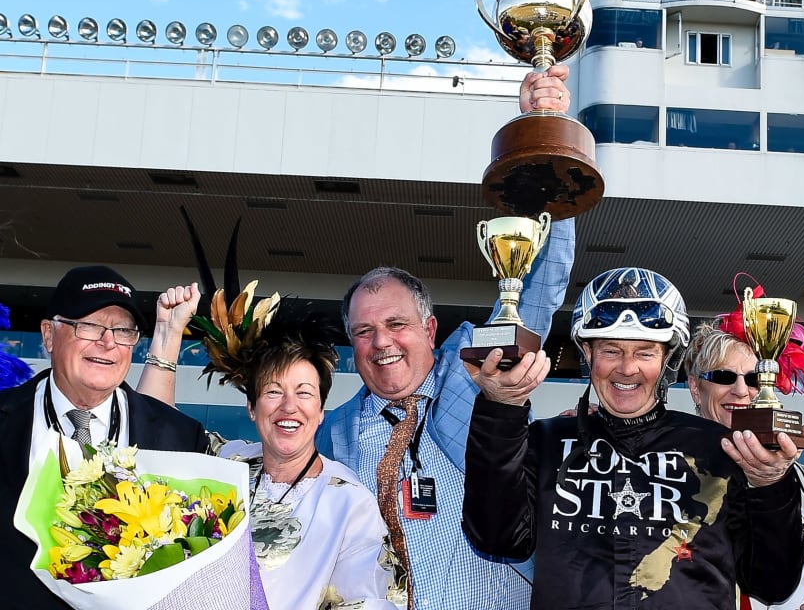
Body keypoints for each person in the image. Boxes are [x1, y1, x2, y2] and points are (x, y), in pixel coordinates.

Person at [319, 66, 573, 610]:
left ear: (430, 329)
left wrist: (543, 129)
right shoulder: (333, 433)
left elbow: (541, 285)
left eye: (396, 324)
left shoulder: (474, 373)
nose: (381, 342)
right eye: (363, 331)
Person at [462, 267, 804, 609]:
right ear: (588, 354)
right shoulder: (547, 441)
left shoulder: (720, 449)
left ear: (667, 359)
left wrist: (771, 485)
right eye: (611, 350)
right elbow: (497, 538)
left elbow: (772, 584)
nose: (627, 369)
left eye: (645, 352)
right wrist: (501, 411)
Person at [0, 265, 209, 610]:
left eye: (123, 330)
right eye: (90, 325)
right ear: (49, 334)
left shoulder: (181, 437)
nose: (108, 341)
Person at [196, 285, 394, 609]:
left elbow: (366, 600)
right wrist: (167, 332)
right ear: (252, 407)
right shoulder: (226, 462)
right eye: (274, 391)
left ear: (320, 413)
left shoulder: (348, 502)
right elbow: (160, 436)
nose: (289, 407)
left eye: (303, 393)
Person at [685, 317, 804, 505]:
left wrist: (772, 484)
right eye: (724, 376)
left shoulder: (798, 478)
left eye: (754, 379)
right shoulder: (668, 467)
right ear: (695, 387)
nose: (741, 391)